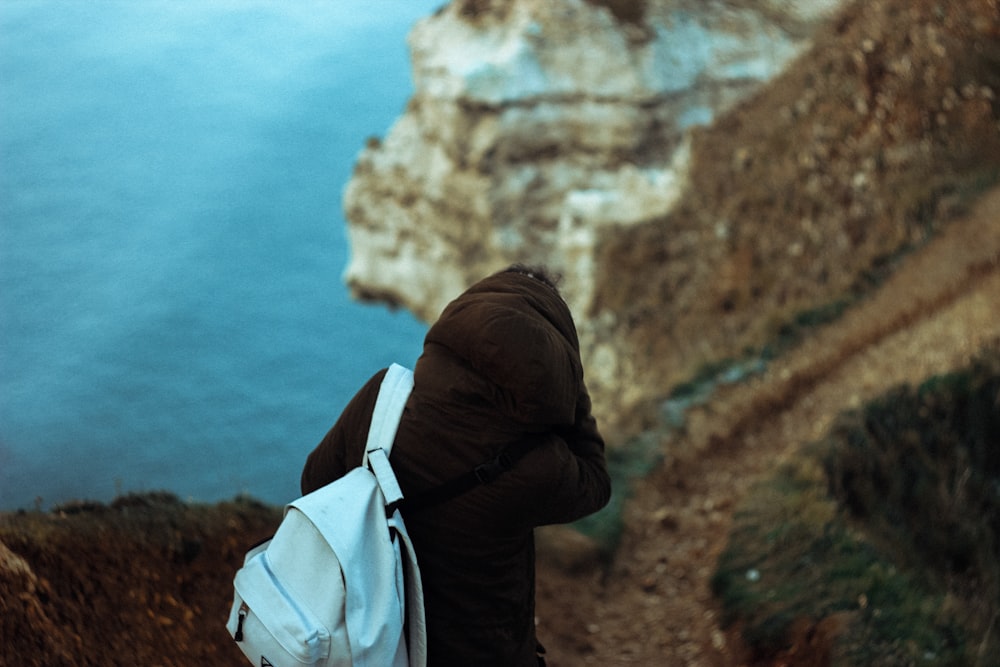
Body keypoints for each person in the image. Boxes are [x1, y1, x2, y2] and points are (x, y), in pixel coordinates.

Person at [301, 264, 611, 666]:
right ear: (551, 365)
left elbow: (315, 483)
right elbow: (596, 482)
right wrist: (574, 390)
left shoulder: (382, 402)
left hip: (375, 646)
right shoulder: (535, 465)